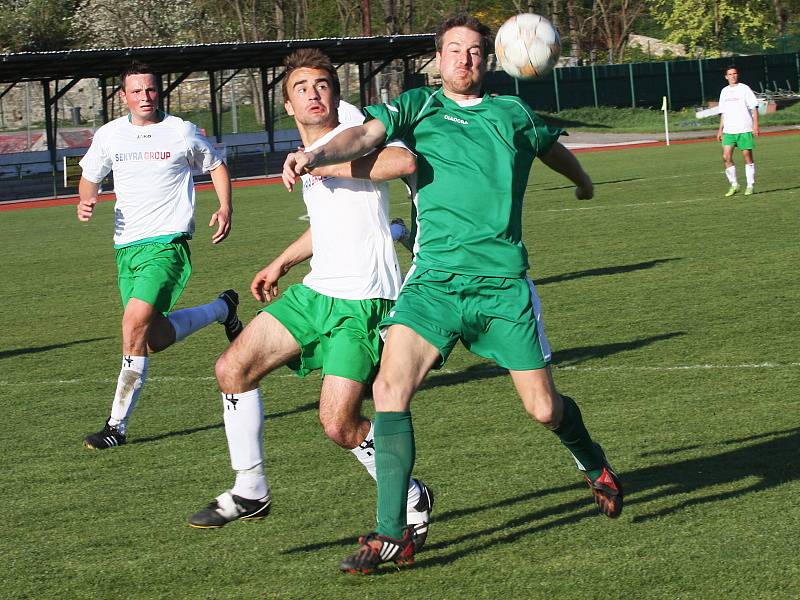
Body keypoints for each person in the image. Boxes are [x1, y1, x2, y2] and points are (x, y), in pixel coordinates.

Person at [282, 14, 624, 574]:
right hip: (435, 282)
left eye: (474, 53)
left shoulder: (512, 113)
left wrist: (582, 181)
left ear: (488, 61)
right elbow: (366, 134)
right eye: (454, 51)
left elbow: (549, 147)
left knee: (543, 410)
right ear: (437, 60)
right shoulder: (417, 106)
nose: (464, 60)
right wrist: (317, 154)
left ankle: (594, 465)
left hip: (501, 286)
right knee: (390, 388)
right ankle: (393, 533)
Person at [188, 49, 434, 551]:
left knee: (339, 425)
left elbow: (403, 160)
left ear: (336, 93)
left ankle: (411, 494)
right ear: (288, 103)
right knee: (232, 369)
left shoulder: (350, 126)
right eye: (302, 88)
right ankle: (251, 489)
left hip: (364, 300)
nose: (314, 93)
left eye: (323, 84)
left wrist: (327, 161)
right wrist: (281, 262)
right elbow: (329, 226)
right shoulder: (306, 148)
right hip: (318, 291)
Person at [77, 62, 242, 450]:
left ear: (159, 91)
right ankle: (222, 309)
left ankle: (116, 425)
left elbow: (216, 165)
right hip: (126, 247)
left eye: (150, 90)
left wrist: (225, 207)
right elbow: (90, 174)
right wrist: (86, 198)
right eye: (137, 91)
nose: (145, 97)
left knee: (132, 322)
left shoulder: (180, 131)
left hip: (166, 245)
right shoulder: (110, 135)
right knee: (151, 338)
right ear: (124, 96)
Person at [716, 66, 759, 197]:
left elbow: (754, 108)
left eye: (735, 73)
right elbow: (723, 112)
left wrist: (755, 125)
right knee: (726, 157)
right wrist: (720, 130)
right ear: (726, 77)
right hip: (729, 130)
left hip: (744, 128)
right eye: (730, 74)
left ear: (737, 75)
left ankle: (750, 185)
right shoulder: (724, 91)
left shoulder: (744, 88)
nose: (733, 76)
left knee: (747, 156)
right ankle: (734, 185)